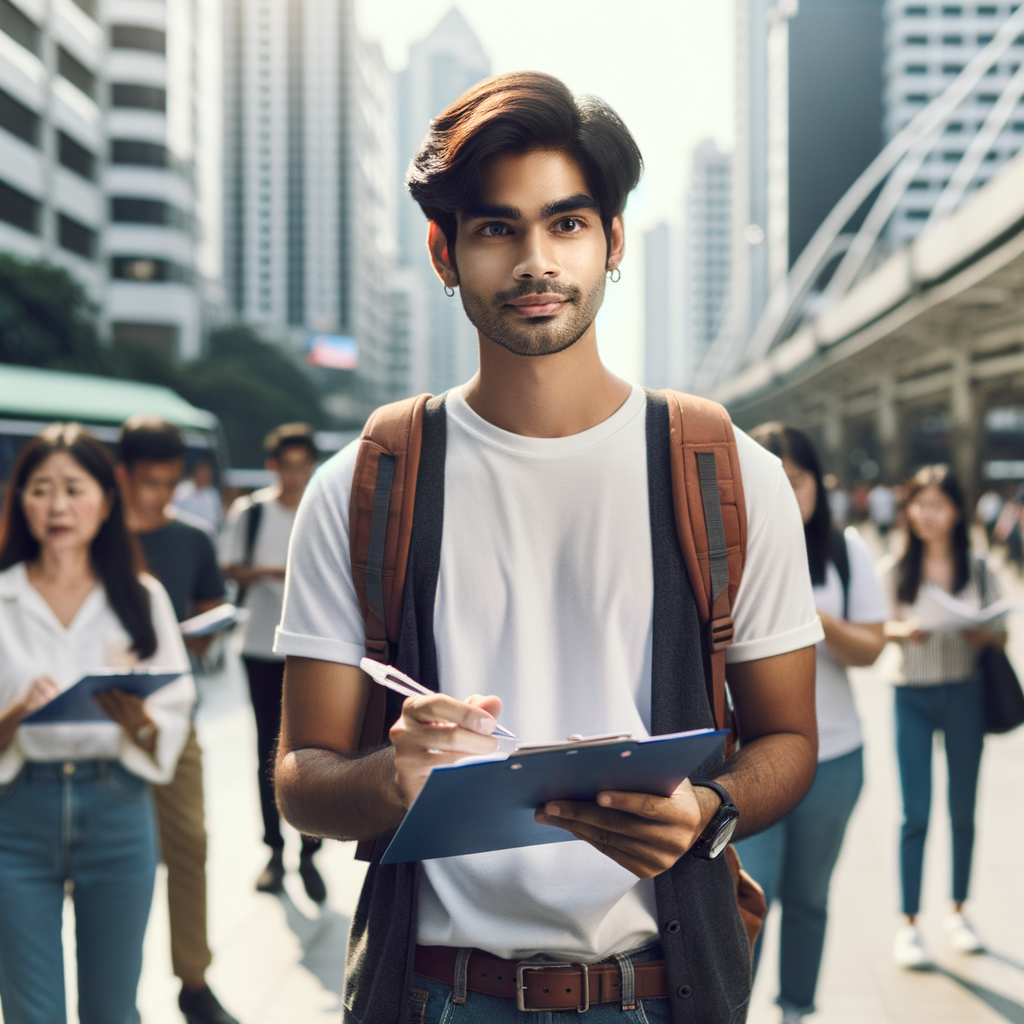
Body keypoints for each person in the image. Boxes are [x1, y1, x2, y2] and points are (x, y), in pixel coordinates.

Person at [272, 72, 822, 1024]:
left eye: (566, 224)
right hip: (435, 990)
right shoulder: (366, 482)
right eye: (496, 229)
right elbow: (300, 776)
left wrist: (707, 811)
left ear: (612, 242)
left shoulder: (725, 470)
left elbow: (788, 739)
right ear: (445, 253)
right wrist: (389, 777)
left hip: (659, 987)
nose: (536, 260)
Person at [0, 423, 194, 1024]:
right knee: (31, 1012)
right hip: (15, 816)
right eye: (39, 489)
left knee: (114, 1010)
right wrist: (14, 716)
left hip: (117, 807)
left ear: (105, 502)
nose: (57, 505)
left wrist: (139, 722)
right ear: (20, 501)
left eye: (73, 488)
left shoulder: (141, 597)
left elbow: (174, 706)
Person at [734, 425, 888, 1024]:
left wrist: (809, 615)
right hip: (748, 761)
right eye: (765, 477)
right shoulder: (722, 551)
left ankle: (797, 1009)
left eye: (793, 480)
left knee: (808, 897)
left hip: (835, 757)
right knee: (750, 894)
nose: (778, 489)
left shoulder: (845, 553)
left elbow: (871, 649)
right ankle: (733, 1009)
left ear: (817, 487)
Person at [116, 415, 238, 1024]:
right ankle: (113, 990)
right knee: (108, 857)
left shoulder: (192, 539)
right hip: (102, 717)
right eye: (148, 481)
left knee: (189, 845)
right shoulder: (93, 535)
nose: (159, 495)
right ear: (121, 474)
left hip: (172, 716)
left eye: (169, 483)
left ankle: (194, 980)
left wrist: (201, 632)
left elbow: (208, 611)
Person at [884, 466, 1006, 968]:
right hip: (911, 694)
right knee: (916, 813)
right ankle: (909, 923)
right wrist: (902, 630)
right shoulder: (895, 568)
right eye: (918, 503)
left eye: (936, 504)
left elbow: (1001, 629)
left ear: (957, 511)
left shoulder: (978, 567)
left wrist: (986, 634)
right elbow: (875, 627)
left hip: (965, 692)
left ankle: (958, 910)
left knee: (963, 809)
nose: (925, 514)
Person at [220, 423, 325, 901]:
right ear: (273, 466)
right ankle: (273, 849)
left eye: (305, 466)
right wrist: (267, 572)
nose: (297, 474)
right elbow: (230, 566)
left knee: (316, 748)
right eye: (288, 465)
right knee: (267, 748)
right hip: (260, 646)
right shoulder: (253, 512)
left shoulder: (323, 508)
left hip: (313, 648)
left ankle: (310, 850)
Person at [173, 456, 224, 534]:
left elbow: (215, 521)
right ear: (195, 470)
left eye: (207, 471)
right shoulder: (181, 489)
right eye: (202, 470)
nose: (204, 475)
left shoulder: (213, 495)